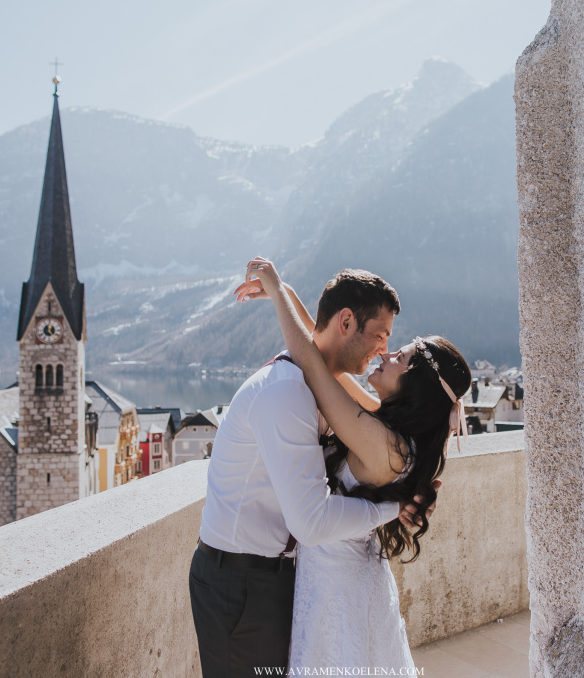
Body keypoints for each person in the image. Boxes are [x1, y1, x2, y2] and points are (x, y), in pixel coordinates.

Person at [236, 257, 472, 673]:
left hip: (337, 592)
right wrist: (287, 294)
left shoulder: (387, 447)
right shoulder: (391, 435)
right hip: (344, 581)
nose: (387, 351)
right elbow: (331, 364)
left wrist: (277, 295)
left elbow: (313, 367)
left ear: (415, 383)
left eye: (402, 355)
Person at [190, 264, 426, 677]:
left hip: (275, 577)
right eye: (380, 335)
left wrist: (444, 400)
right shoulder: (285, 392)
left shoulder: (320, 388)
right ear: (347, 321)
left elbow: (320, 355)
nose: (383, 348)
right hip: (238, 584)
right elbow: (312, 519)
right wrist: (392, 508)